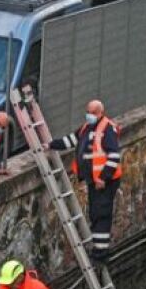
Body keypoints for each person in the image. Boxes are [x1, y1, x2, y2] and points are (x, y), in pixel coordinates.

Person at [49, 99, 123, 263]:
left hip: (104, 182)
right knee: (95, 214)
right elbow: (71, 140)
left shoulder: (107, 129)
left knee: (101, 215)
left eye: (92, 112)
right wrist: (51, 144)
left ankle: (101, 253)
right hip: (94, 181)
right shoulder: (87, 127)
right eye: (88, 112)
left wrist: (103, 177)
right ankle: (98, 248)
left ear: (100, 113)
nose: (88, 115)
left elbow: (114, 156)